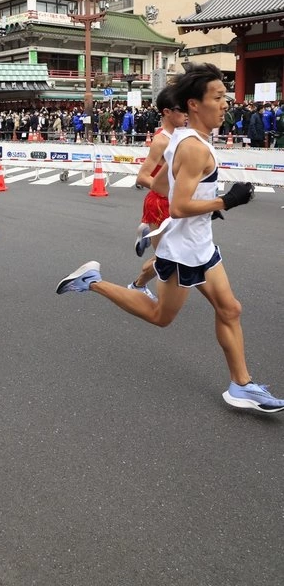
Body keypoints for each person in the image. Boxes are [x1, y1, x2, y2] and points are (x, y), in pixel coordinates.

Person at [56, 64, 284, 414]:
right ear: (194, 104)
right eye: (218, 97)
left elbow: (162, 186)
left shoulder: (184, 139)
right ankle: (94, 282)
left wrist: (207, 208)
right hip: (183, 251)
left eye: (225, 97)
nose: (226, 104)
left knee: (230, 309)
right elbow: (177, 207)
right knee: (161, 316)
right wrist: (226, 200)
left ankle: (241, 385)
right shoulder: (193, 147)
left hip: (201, 244)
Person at [128, 85, 187, 299]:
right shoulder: (162, 140)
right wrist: (169, 192)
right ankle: (137, 286)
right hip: (161, 205)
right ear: (167, 112)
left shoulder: (183, 135)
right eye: (181, 109)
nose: (186, 114)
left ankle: (138, 284)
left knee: (174, 254)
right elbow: (142, 177)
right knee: (166, 257)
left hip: (178, 204)